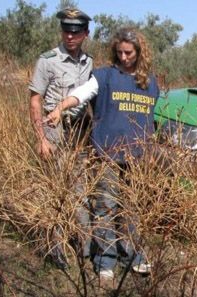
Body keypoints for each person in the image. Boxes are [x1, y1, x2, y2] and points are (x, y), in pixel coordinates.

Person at [46, 28, 159, 286]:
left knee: (131, 208)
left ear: (139, 52)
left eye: (128, 52)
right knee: (105, 207)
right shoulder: (106, 76)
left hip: (138, 157)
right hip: (107, 154)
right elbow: (82, 93)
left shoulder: (150, 83)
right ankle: (105, 261)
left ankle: (133, 255)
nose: (123, 57)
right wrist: (61, 106)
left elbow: (148, 120)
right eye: (119, 52)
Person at [28, 7, 93, 269]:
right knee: (55, 189)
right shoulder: (48, 60)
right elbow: (35, 100)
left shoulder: (89, 62)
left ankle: (84, 247)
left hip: (79, 131)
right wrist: (41, 138)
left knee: (80, 189)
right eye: (66, 30)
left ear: (85, 34)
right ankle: (55, 247)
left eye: (76, 32)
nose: (70, 36)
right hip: (53, 129)